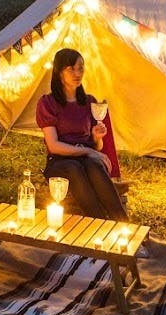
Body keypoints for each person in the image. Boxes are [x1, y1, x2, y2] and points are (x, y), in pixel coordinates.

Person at [35, 48, 128, 220]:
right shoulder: (48, 103)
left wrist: (96, 137)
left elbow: (96, 147)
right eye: (71, 69)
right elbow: (53, 145)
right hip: (60, 161)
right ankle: (100, 223)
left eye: (80, 68)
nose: (77, 74)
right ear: (59, 72)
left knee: (94, 165)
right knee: (74, 168)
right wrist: (89, 151)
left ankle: (123, 224)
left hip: (86, 159)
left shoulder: (89, 102)